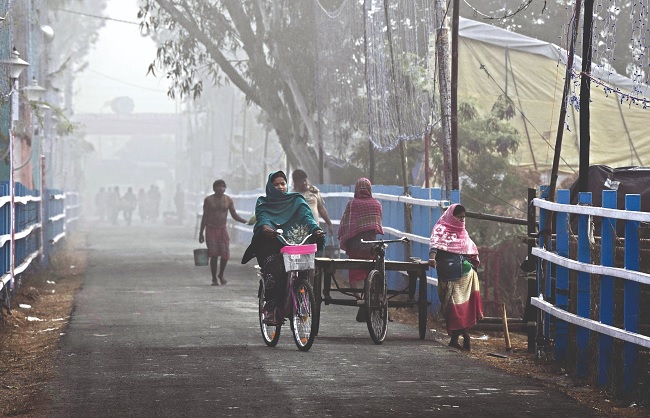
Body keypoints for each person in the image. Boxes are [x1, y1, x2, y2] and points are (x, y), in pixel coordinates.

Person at [241, 171, 325, 325]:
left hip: (294, 244)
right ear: (270, 186)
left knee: (304, 270)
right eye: (276, 184)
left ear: (287, 185)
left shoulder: (297, 200)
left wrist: (316, 230)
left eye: (282, 183)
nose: (280, 187)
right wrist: (266, 228)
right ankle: (271, 308)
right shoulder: (263, 203)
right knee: (275, 268)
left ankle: (301, 300)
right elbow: (263, 218)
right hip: (272, 244)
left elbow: (307, 217)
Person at [427, 203, 483, 351]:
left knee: (459, 306)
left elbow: (470, 248)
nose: (462, 220)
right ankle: (461, 336)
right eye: (459, 217)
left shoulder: (462, 231)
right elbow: (434, 245)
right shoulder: (441, 229)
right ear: (451, 217)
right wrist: (432, 258)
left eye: (464, 217)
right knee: (452, 307)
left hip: (465, 275)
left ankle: (459, 337)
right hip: (448, 272)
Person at [337, 177, 383, 322]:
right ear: (369, 189)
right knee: (372, 274)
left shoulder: (352, 204)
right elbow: (377, 225)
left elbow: (346, 225)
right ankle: (371, 298)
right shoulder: (377, 204)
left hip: (355, 248)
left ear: (356, 189)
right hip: (371, 249)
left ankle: (361, 300)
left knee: (354, 278)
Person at [199, 179, 248, 286]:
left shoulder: (228, 200)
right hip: (211, 229)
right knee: (213, 255)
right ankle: (214, 278)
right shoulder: (208, 200)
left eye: (222, 186)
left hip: (222, 229)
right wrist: (201, 233)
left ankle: (221, 274)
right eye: (218, 186)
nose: (220, 188)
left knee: (225, 254)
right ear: (214, 188)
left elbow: (234, 214)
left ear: (225, 188)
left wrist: (245, 221)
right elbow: (205, 216)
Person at [291, 169, 335, 236]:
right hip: (299, 231)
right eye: (301, 181)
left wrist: (329, 224)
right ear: (295, 182)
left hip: (315, 229)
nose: (304, 183)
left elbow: (321, 208)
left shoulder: (313, 191)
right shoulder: (291, 195)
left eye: (305, 180)